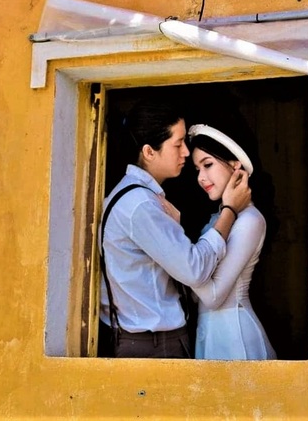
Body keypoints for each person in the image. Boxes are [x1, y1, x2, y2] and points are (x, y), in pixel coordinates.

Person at [99, 100, 251, 359]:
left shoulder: (134, 197)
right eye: (178, 144)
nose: (185, 152)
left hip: (143, 339)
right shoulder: (141, 205)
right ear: (149, 152)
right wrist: (230, 211)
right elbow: (194, 270)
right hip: (152, 345)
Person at [188, 122, 276, 360]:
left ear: (236, 165)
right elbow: (197, 295)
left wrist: (179, 257)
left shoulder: (250, 220)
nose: (201, 177)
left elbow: (213, 296)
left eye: (207, 165)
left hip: (236, 337)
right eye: (197, 169)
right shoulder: (218, 219)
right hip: (210, 333)